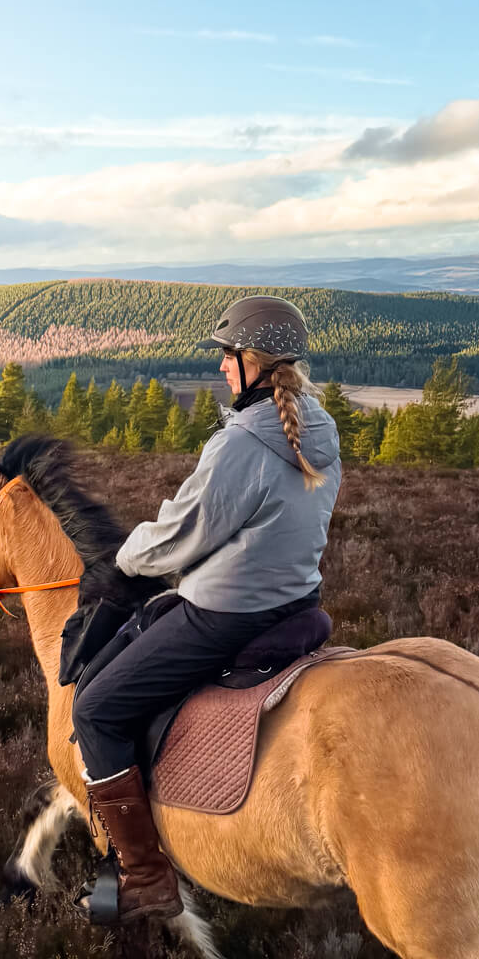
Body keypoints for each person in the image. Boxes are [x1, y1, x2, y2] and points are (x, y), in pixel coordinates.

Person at [74, 296, 342, 922]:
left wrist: (125, 556)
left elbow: (184, 534)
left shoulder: (242, 443)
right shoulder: (319, 427)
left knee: (97, 710)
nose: (222, 367)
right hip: (295, 603)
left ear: (253, 362)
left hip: (225, 616)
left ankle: (144, 877)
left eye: (227, 356)